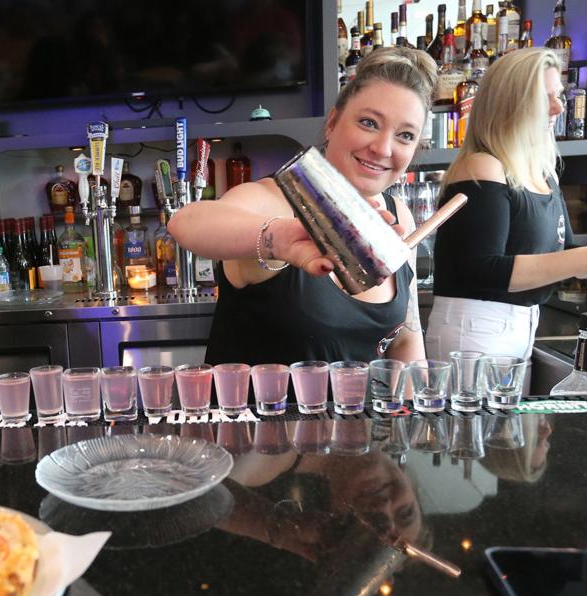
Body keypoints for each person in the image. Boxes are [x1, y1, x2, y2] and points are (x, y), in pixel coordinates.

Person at [168, 46, 436, 366]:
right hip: (255, 416)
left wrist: (415, 410)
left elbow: (406, 338)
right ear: (333, 123)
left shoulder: (398, 214)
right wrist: (280, 239)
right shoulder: (275, 201)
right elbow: (187, 221)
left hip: (358, 416)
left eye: (405, 135)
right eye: (368, 122)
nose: (382, 148)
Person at [426, 48, 585, 361]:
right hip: (474, 327)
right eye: (544, 97)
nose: (557, 107)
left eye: (559, 96)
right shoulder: (483, 166)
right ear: (509, 103)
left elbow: (563, 251)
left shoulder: (543, 172)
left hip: (522, 324)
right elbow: (482, 268)